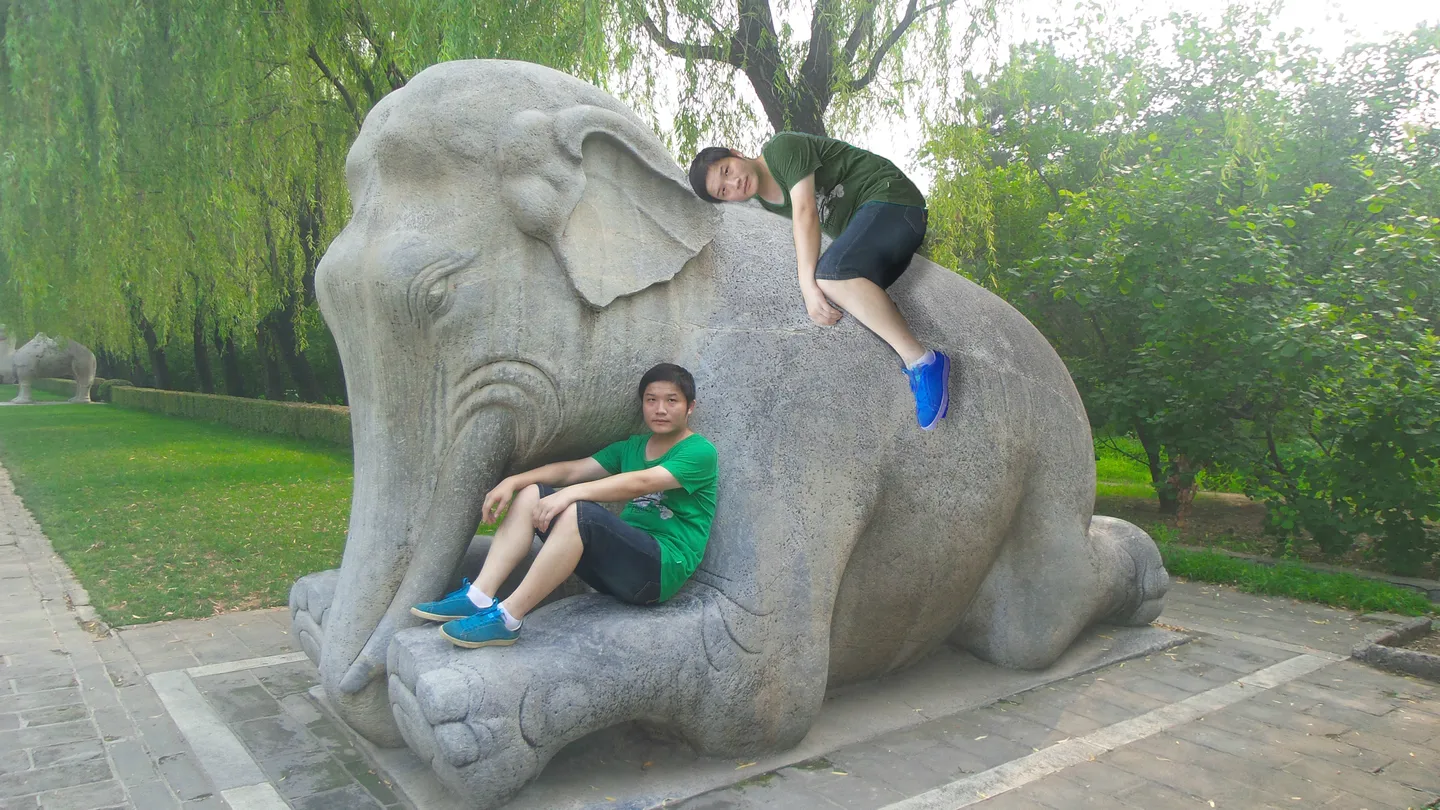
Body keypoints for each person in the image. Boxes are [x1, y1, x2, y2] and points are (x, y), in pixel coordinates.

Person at [411, 363, 719, 647]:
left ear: (690, 407)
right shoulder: (632, 448)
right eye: (651, 400)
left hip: (658, 573)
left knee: (578, 512)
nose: (660, 409)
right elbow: (571, 471)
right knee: (533, 493)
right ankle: (478, 595)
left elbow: (641, 482)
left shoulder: (700, 452)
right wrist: (513, 482)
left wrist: (570, 494)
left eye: (671, 401)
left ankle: (508, 619)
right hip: (616, 569)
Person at [688, 132, 952, 430]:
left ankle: (923, 362)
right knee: (850, 299)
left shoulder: (780, 149)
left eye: (727, 171)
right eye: (724, 191)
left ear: (735, 153)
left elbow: (806, 213)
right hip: (883, 239)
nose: (734, 183)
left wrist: (807, 285)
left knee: (830, 276)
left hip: (892, 202)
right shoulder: (767, 203)